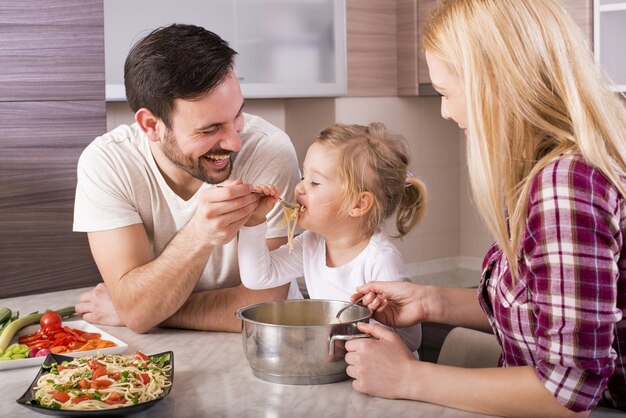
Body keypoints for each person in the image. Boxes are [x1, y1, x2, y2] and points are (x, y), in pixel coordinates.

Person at [345, 0, 626, 416]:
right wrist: (430, 300)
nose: (444, 110)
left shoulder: (564, 185)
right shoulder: (554, 169)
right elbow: (543, 308)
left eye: (446, 92)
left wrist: (407, 378)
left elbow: (569, 392)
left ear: (494, 80)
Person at [72, 24, 301, 334]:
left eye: (237, 115)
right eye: (209, 130)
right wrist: (199, 235)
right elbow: (137, 310)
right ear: (151, 124)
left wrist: (143, 311)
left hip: (262, 343)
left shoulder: (268, 150)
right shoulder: (108, 163)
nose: (235, 142)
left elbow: (265, 306)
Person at [237, 123, 427, 352]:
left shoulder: (380, 260)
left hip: (386, 379)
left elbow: (412, 341)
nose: (299, 188)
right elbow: (258, 277)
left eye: (314, 182)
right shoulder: (312, 243)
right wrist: (254, 221)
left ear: (358, 204)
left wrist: (383, 320)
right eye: (303, 176)